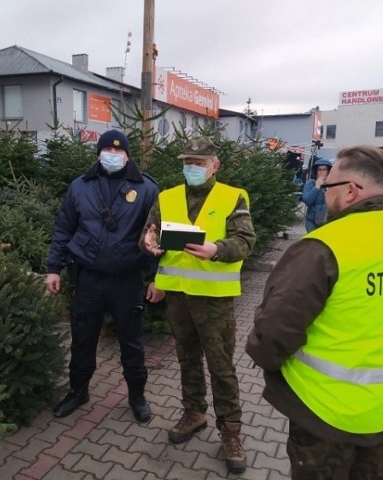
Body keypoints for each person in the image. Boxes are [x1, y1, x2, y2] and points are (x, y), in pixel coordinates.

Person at [246, 145, 383, 479]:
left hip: (322, 412)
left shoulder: (325, 247)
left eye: (328, 189)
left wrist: (264, 358)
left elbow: (272, 335)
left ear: (351, 191)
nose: (325, 197)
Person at [141, 137, 256, 474]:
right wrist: (148, 243)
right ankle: (194, 413)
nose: (191, 167)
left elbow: (245, 240)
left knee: (221, 366)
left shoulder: (233, 197)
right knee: (187, 357)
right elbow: (149, 234)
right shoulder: (167, 197)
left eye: (199, 162)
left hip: (214, 300)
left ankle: (231, 431)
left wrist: (216, 249)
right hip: (178, 295)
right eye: (187, 161)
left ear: (214, 165)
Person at [45, 129, 163, 423]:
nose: (113, 156)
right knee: (83, 338)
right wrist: (53, 268)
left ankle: (137, 396)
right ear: (98, 153)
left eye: (119, 151)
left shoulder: (147, 188)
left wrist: (156, 278)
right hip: (88, 277)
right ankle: (78, 391)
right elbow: (63, 230)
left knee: (131, 341)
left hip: (127, 279)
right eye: (107, 151)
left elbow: (157, 237)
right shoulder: (80, 187)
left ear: (127, 155)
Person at [301, 158, 332, 232]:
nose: (321, 172)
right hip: (312, 221)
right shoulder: (310, 183)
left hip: (328, 222)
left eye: (324, 169)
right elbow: (307, 200)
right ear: (316, 171)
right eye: (319, 169)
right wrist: (317, 187)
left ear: (328, 171)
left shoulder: (332, 184)